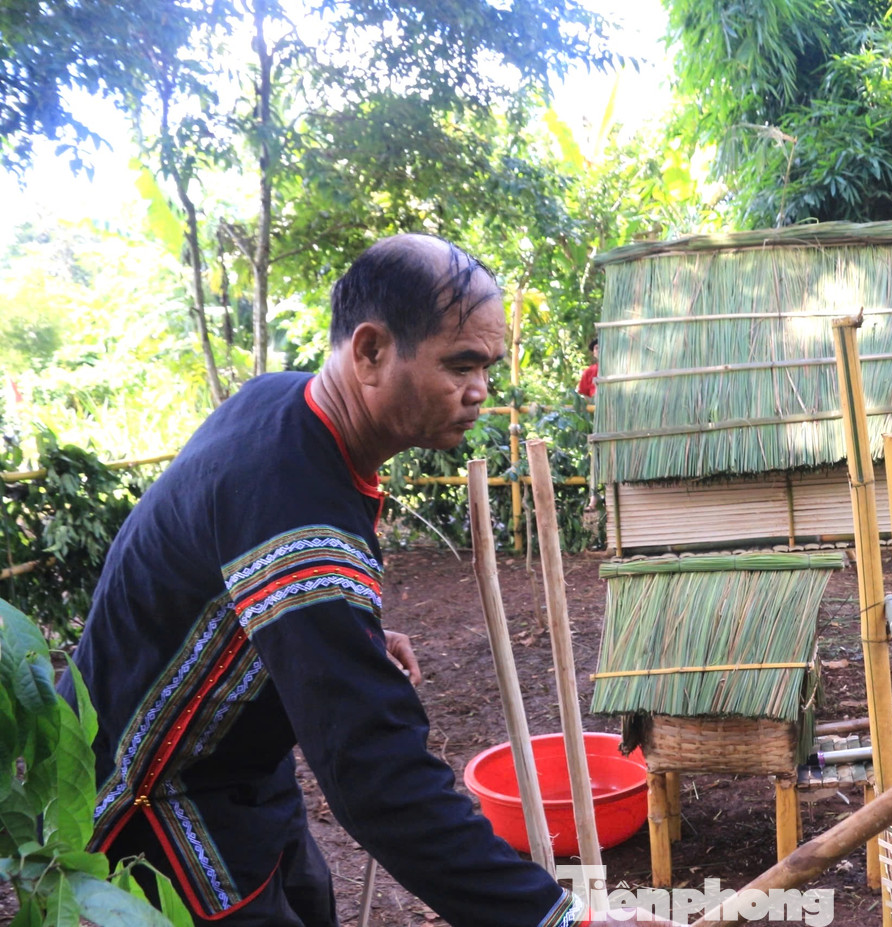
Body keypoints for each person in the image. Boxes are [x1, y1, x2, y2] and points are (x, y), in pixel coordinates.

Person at [57, 235, 651, 927]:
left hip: (242, 763)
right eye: (459, 365)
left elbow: (229, 583)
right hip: (156, 806)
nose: (479, 390)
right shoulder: (297, 519)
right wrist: (558, 918)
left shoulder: (283, 406)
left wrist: (343, 635)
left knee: (307, 895)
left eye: (485, 366)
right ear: (370, 351)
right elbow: (377, 774)